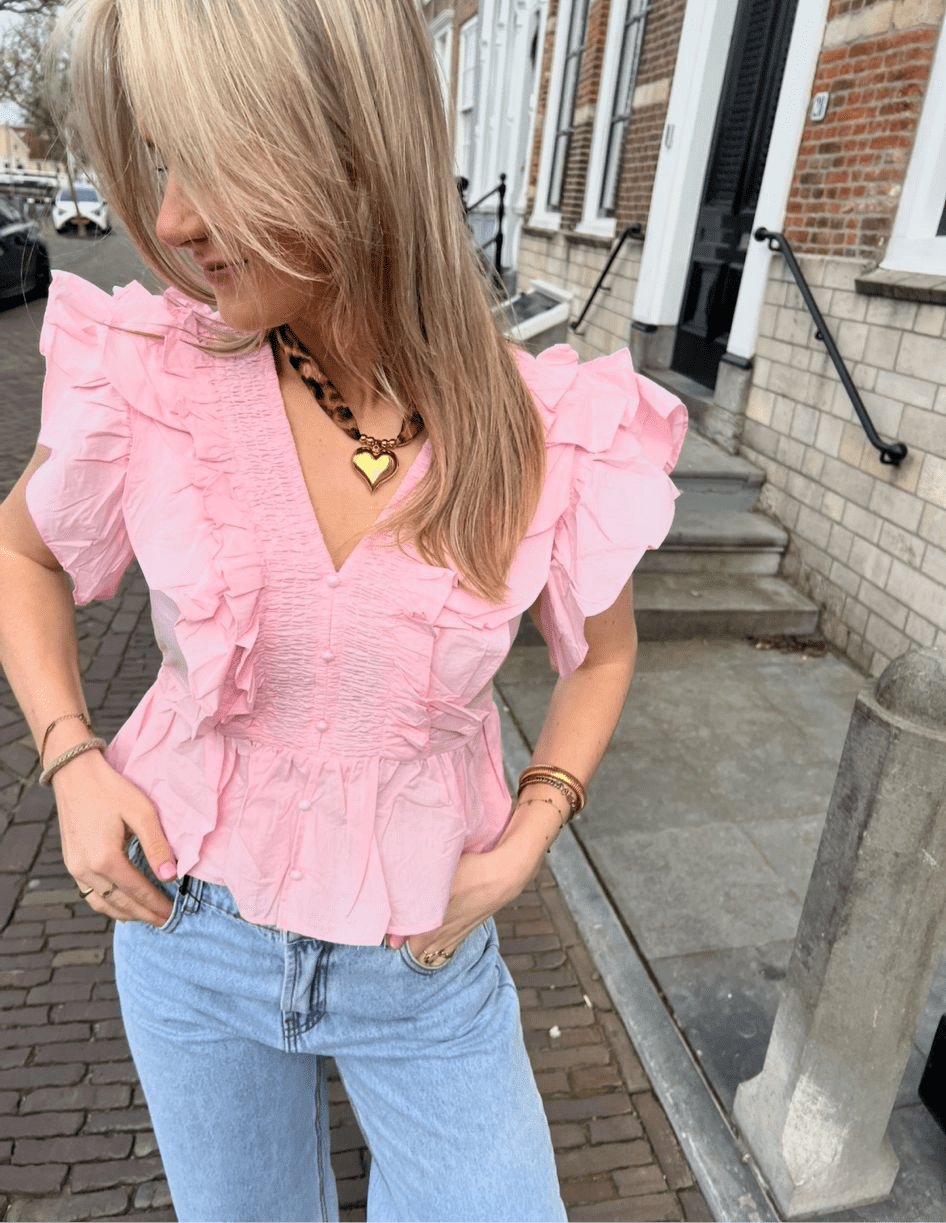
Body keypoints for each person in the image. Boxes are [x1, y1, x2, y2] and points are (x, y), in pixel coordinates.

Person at [0, 1, 687, 1219]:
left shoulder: (547, 428)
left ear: (351, 144)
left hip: (420, 958)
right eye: (164, 161)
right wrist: (71, 757)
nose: (173, 219)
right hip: (187, 926)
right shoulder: (154, 374)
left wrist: (530, 830)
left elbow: (601, 655)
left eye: (214, 159)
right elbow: (22, 549)